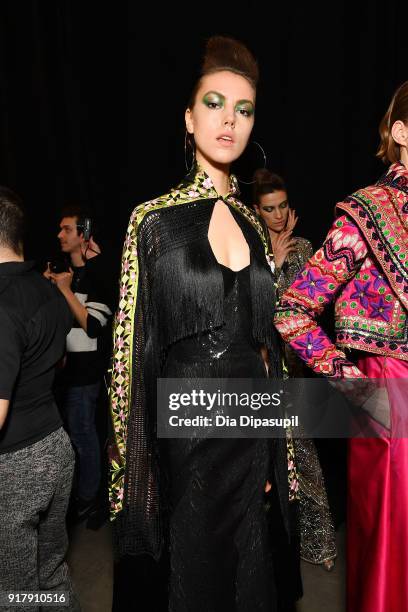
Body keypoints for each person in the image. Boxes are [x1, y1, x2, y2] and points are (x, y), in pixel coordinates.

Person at [109, 37, 300, 611]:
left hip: (249, 430)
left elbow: (268, 350)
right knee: (193, 577)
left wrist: (274, 447)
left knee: (251, 575)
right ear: (189, 120)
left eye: (244, 110)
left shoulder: (252, 222)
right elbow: (128, 357)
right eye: (215, 105)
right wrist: (136, 471)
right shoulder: (153, 221)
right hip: (185, 434)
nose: (230, 121)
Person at [274, 81, 408, 612]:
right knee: (391, 560)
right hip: (391, 407)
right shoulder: (365, 212)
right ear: (401, 132)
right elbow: (292, 309)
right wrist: (349, 380)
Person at [0, 187, 80, 610]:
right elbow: (59, 363)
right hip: (54, 444)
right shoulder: (46, 289)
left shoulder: (2, 304)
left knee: (13, 590)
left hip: (13, 464)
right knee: (50, 574)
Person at [254, 168, 337, 571]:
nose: (279, 215)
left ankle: (319, 542)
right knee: (262, 460)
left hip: (294, 368)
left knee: (305, 457)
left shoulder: (304, 247)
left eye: (283, 205)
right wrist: (272, 264)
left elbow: (309, 309)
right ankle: (266, 543)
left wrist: (288, 262)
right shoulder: (247, 250)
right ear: (257, 211)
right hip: (257, 370)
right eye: (270, 208)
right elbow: (253, 314)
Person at [45, 205, 113, 522]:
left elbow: (93, 326)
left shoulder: (99, 275)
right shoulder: (60, 272)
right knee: (70, 443)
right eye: (60, 229)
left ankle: (90, 501)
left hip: (86, 378)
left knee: (85, 441)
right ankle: (80, 498)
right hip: (60, 376)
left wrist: (64, 290)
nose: (60, 234)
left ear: (83, 234)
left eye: (68, 229)